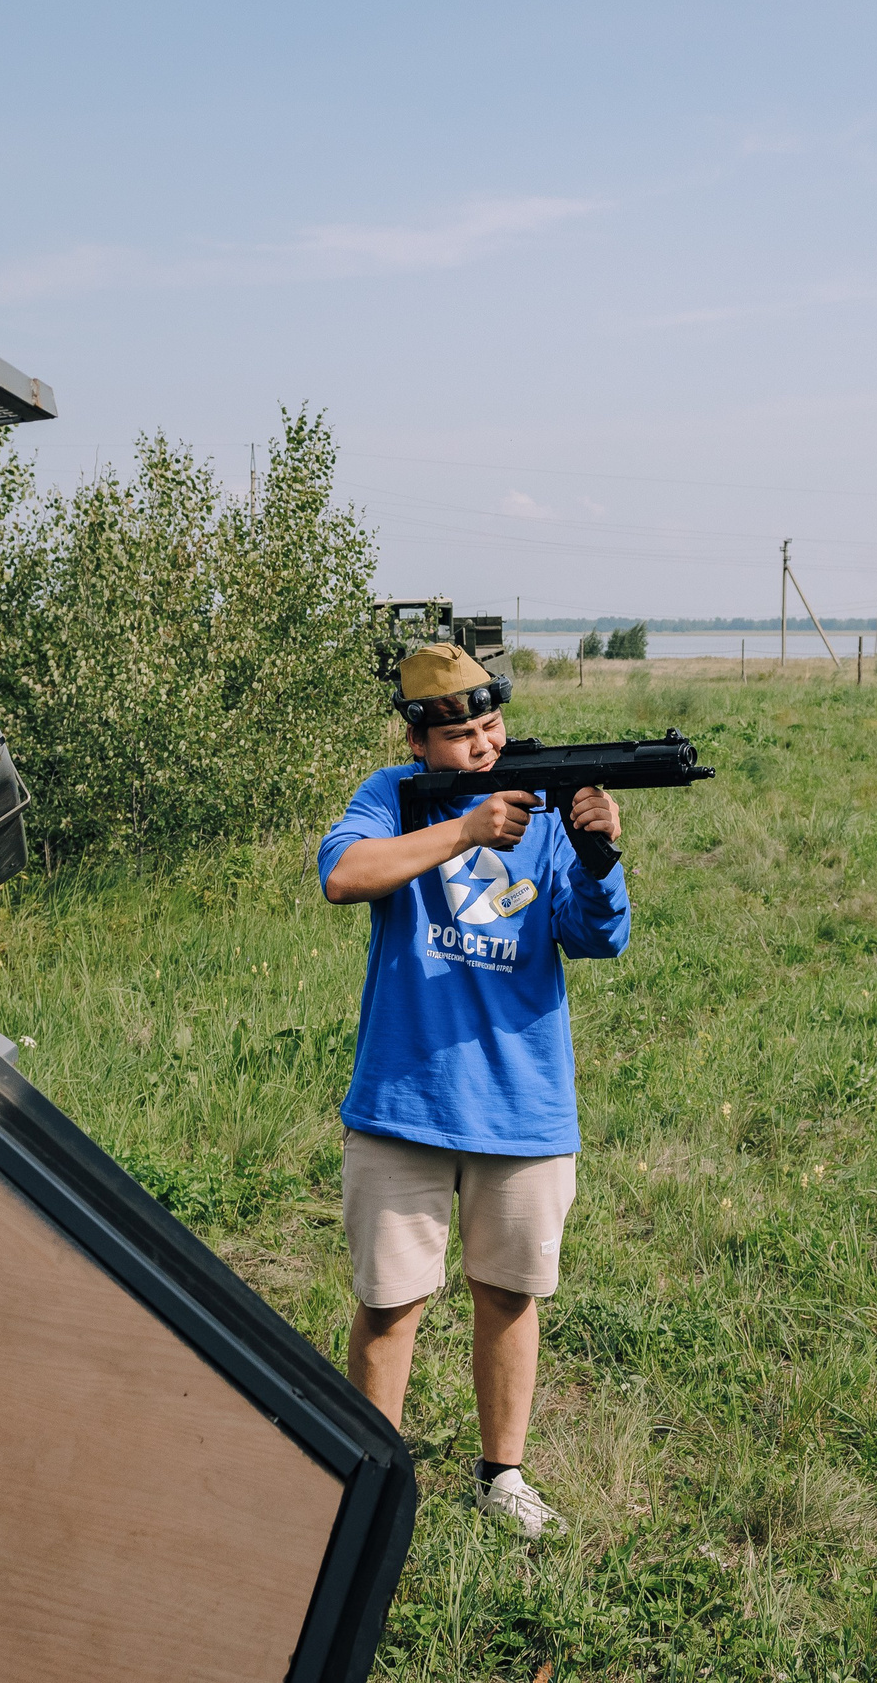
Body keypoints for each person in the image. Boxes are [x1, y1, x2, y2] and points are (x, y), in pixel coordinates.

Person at [317, 642, 630, 1537]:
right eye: (461, 736)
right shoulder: (388, 797)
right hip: (402, 1100)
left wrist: (598, 858)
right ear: (417, 740)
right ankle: (366, 1486)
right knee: (389, 1303)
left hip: (523, 1101)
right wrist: (463, 830)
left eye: (492, 728)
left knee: (509, 1293)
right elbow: (343, 875)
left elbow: (596, 936)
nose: (485, 749)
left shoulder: (541, 805)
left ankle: (503, 1477)